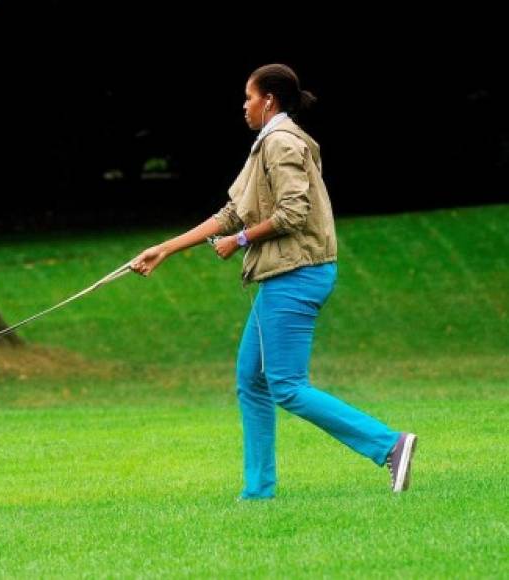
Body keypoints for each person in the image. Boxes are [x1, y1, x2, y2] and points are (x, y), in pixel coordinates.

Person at [130, 64, 417, 499]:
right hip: (286, 274)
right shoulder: (265, 144)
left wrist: (239, 241)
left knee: (286, 385)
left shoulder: (281, 143)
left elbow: (292, 213)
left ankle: (389, 445)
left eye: (248, 97)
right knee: (252, 379)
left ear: (268, 101)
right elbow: (231, 212)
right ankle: (259, 490)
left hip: (298, 274)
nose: (243, 106)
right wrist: (166, 248)